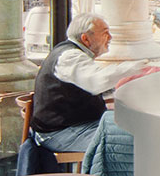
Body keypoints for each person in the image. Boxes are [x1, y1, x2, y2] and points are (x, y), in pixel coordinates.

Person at [30, 11, 134, 155]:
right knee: (132, 140)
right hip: (61, 134)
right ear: (85, 38)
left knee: (136, 128)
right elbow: (98, 82)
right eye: (105, 33)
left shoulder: (74, 54)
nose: (110, 37)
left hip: (79, 126)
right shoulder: (69, 57)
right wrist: (138, 69)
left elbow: (99, 86)